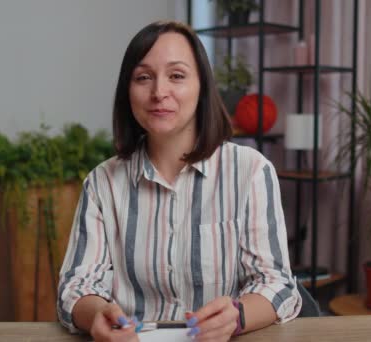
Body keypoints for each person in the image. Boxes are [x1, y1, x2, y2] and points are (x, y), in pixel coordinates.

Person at [57, 20, 301, 342]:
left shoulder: (251, 171)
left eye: (177, 76)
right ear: (127, 91)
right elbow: (76, 287)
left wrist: (237, 316)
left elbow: (277, 283)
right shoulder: (102, 182)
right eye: (143, 78)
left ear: (201, 87)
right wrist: (96, 315)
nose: (159, 92)